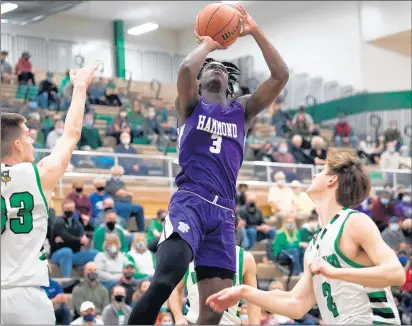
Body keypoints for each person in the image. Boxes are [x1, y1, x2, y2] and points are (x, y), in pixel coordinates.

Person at [128, 4, 289, 325]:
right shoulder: (189, 106)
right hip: (191, 202)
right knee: (164, 281)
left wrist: (254, 30)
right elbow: (187, 68)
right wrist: (211, 42)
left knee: (214, 311)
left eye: (222, 69)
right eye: (210, 67)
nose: (216, 68)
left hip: (225, 213)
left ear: (230, 87)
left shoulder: (242, 111)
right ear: (200, 83)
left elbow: (280, 75)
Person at [207, 150, 405, 325]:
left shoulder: (354, 222)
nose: (316, 174)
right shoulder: (314, 245)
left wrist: (336, 273)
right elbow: (296, 304)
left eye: (321, 171)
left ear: (332, 179)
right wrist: (244, 292)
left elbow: (396, 273)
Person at [0, 62, 98, 325]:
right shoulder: (38, 174)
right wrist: (79, 88)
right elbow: (71, 135)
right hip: (27, 296)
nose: (34, 141)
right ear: (17, 144)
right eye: (29, 137)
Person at [169, 245, 261, 325]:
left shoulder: (244, 257)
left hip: (230, 322)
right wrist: (178, 317)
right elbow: (175, 289)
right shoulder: (187, 256)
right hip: (194, 321)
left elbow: (254, 299)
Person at [50, 199, 98, 277]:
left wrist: (81, 239)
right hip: (57, 254)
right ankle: (66, 281)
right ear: (63, 209)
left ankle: (91, 279)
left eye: (71, 209)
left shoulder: (77, 223)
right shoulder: (58, 222)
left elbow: (82, 237)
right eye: (67, 209)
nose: (69, 211)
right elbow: (66, 237)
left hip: (74, 254)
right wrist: (78, 240)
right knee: (67, 251)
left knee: (95, 253)